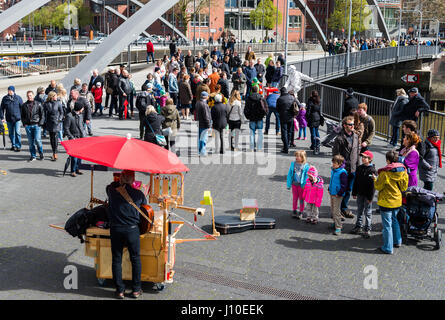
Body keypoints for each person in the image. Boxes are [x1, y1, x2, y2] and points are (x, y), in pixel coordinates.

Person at [106, 170, 146, 299]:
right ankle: (135, 289)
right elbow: (145, 205)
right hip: (132, 229)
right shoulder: (138, 194)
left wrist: (119, 181)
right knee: (135, 259)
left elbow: (109, 186)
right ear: (133, 179)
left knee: (116, 259)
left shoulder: (112, 191)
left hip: (116, 229)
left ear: (121, 178)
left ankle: (119, 291)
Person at [374, 150, 409, 254]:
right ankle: (398, 241)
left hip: (386, 201)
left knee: (387, 225)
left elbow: (378, 187)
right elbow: (404, 188)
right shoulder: (403, 172)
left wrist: (375, 179)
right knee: (395, 221)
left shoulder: (385, 173)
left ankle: (388, 247)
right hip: (397, 201)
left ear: (388, 160)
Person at [332, 116, 361, 219]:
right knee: (340, 190)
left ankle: (343, 209)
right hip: (343, 169)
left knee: (348, 190)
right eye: (350, 124)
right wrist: (338, 168)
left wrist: (358, 167)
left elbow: (357, 153)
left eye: (353, 124)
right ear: (344, 125)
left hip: (353, 168)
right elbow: (335, 155)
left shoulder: (356, 136)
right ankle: (337, 211)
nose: (352, 126)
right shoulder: (339, 138)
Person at [350, 150, 377, 238]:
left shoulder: (372, 170)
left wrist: (370, 197)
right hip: (360, 193)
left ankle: (367, 228)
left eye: (365, 157)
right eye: (362, 157)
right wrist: (354, 192)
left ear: (370, 159)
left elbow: (373, 187)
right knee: (359, 210)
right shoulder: (359, 168)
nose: (363, 158)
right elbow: (356, 181)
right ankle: (358, 226)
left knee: (368, 212)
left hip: (367, 195)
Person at [21, 90, 45, 162]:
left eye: (30, 95)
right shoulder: (24, 105)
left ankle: (41, 153)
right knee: (31, 142)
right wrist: (24, 124)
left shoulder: (39, 104)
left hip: (36, 125)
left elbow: (42, 115)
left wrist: (40, 123)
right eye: (28, 96)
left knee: (37, 140)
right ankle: (33, 155)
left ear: (33, 96)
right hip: (28, 126)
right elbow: (22, 116)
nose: (29, 97)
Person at [286, 150, 311, 219]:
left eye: (298, 156)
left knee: (301, 199)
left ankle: (301, 211)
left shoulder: (306, 166)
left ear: (303, 157)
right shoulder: (293, 164)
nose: (296, 157)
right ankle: (294, 210)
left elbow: (306, 176)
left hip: (301, 186)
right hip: (294, 184)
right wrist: (288, 184)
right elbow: (289, 174)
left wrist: (304, 185)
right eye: (296, 156)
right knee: (294, 198)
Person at [63, 102, 86, 177]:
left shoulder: (81, 115)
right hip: (74, 138)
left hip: (81, 138)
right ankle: (72, 171)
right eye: (82, 108)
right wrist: (71, 137)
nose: (83, 109)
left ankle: (78, 168)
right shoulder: (69, 116)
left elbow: (82, 126)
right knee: (74, 157)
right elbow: (66, 128)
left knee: (80, 156)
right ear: (80, 109)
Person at [328, 155, 349, 235]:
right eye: (333, 162)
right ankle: (335, 223)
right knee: (333, 209)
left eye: (335, 163)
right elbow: (332, 181)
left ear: (339, 163)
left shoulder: (342, 172)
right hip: (332, 193)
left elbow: (344, 185)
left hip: (338, 195)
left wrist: (339, 193)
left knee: (336, 211)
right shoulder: (333, 170)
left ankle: (338, 227)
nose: (333, 164)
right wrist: (329, 189)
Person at [244, 85, 267, 152]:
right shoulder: (261, 98)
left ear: (251, 90)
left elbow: (246, 109)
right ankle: (259, 148)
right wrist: (264, 115)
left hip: (252, 117)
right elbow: (265, 107)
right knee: (260, 133)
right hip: (259, 117)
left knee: (252, 133)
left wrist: (247, 116)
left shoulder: (249, 98)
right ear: (257, 90)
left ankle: (251, 147)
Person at [0, 86, 23, 152]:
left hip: (17, 119)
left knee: (17, 132)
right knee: (10, 133)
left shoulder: (18, 98)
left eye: (11, 90)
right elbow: (1, 109)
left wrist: (22, 116)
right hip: (9, 119)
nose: (9, 91)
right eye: (9, 90)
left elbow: (22, 108)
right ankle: (13, 145)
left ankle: (18, 146)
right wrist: (2, 117)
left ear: (13, 91)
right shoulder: (5, 98)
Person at [43, 92, 64, 161]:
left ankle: (55, 152)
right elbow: (44, 113)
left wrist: (59, 119)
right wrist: (44, 122)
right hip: (49, 123)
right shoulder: (46, 104)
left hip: (56, 123)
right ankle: (53, 151)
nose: (56, 97)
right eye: (55, 96)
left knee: (55, 138)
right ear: (51, 96)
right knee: (51, 138)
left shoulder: (58, 103)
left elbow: (61, 112)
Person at [276, 86, 295, 154]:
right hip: (291, 117)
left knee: (284, 132)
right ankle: (288, 145)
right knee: (289, 131)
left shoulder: (279, 99)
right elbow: (297, 105)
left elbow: (277, 109)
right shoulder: (292, 97)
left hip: (283, 117)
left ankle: (286, 147)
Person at [196, 91, 211, 156]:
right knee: (203, 138)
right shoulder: (204, 105)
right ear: (205, 97)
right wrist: (208, 125)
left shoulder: (198, 103)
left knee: (200, 138)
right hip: (204, 123)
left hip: (199, 122)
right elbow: (206, 116)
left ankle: (200, 151)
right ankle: (202, 152)